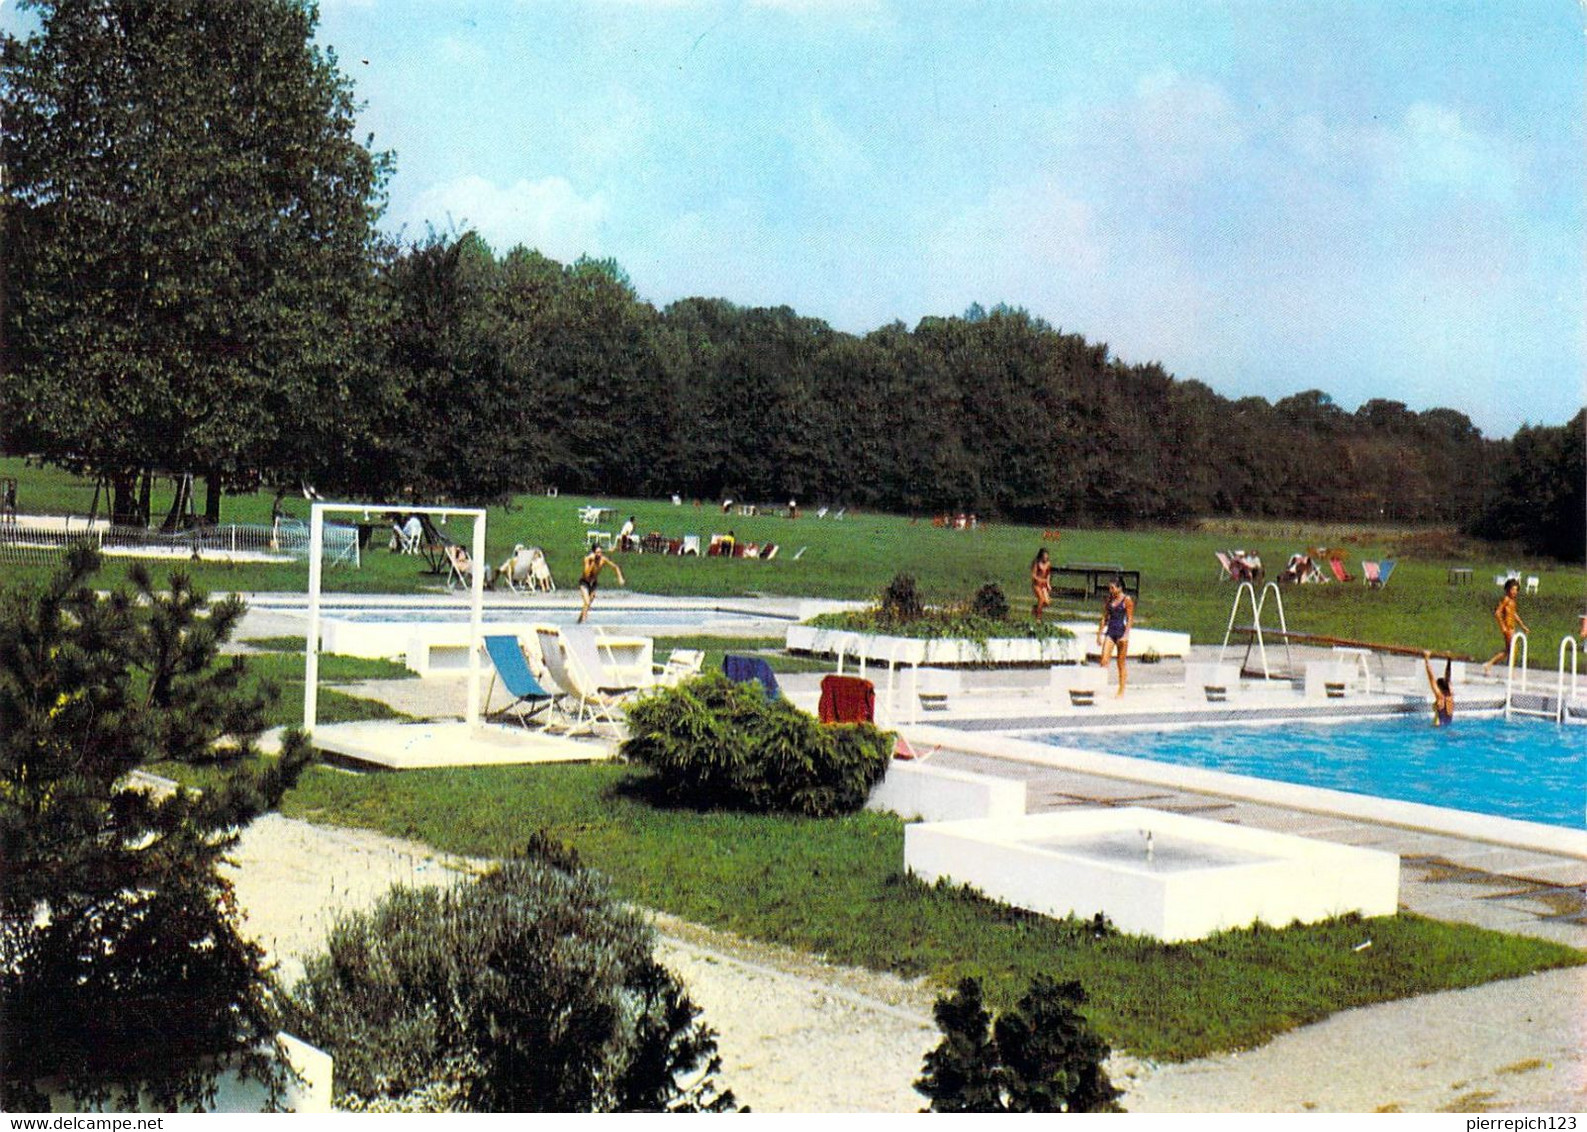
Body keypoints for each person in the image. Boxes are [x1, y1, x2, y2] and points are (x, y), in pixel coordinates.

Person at [1482, 578, 1529, 675]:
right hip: (1508, 628)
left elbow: (1514, 614)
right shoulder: (1506, 599)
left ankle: (1489, 664)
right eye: (1512, 590)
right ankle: (1511, 671)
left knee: (1507, 651)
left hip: (1512, 628)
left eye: (1516, 590)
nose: (1514, 592)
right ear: (1507, 590)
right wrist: (1502, 626)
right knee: (1513, 649)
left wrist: (1522, 625)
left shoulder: (1512, 601)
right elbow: (1497, 613)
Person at [1096, 577, 1134, 697]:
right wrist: (1099, 634)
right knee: (1104, 660)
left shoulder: (1127, 600)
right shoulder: (1109, 599)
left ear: (1119, 588)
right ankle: (1100, 686)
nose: (1110, 590)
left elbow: (1130, 618)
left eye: (1112, 587)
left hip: (1121, 632)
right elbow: (1105, 617)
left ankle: (1121, 690)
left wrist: (1126, 635)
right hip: (1111, 632)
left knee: (1120, 663)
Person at [577, 543, 624, 623]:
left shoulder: (603, 559)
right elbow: (586, 574)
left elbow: (615, 567)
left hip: (593, 583)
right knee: (587, 602)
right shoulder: (587, 559)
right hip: (584, 582)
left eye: (600, 552)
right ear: (593, 553)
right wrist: (592, 563)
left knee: (587, 605)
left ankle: (580, 620)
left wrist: (620, 577)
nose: (599, 554)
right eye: (597, 552)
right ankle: (584, 622)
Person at [1423, 651, 1454, 727]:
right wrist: (1449, 659)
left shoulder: (1439, 696)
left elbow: (1431, 677)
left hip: (1437, 727)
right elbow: (1448, 677)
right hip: (1448, 726)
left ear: (1439, 687)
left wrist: (1426, 658)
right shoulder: (1451, 695)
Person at [1030, 547, 1053, 621]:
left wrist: (1048, 584)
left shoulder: (1048, 564)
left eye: (1047, 556)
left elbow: (1048, 574)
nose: (1045, 558)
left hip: (1044, 585)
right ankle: (1038, 618)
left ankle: (1035, 609)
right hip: (1037, 585)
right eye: (1044, 557)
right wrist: (1039, 580)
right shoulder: (1037, 563)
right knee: (1041, 599)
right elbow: (1033, 575)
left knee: (1047, 602)